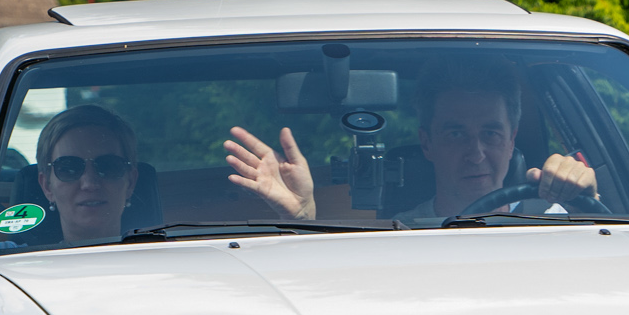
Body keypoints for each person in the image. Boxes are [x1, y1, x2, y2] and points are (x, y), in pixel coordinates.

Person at [225, 58, 596, 223]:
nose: (476, 153)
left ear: (512, 140)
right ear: (427, 143)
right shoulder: (399, 232)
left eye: (491, 133)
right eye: (456, 133)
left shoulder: (557, 218)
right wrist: (305, 219)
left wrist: (588, 200)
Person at [35, 103, 138, 244]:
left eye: (108, 166)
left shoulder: (164, 255)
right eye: (69, 169)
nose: (89, 184)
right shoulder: (10, 254)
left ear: (130, 182)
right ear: (47, 186)